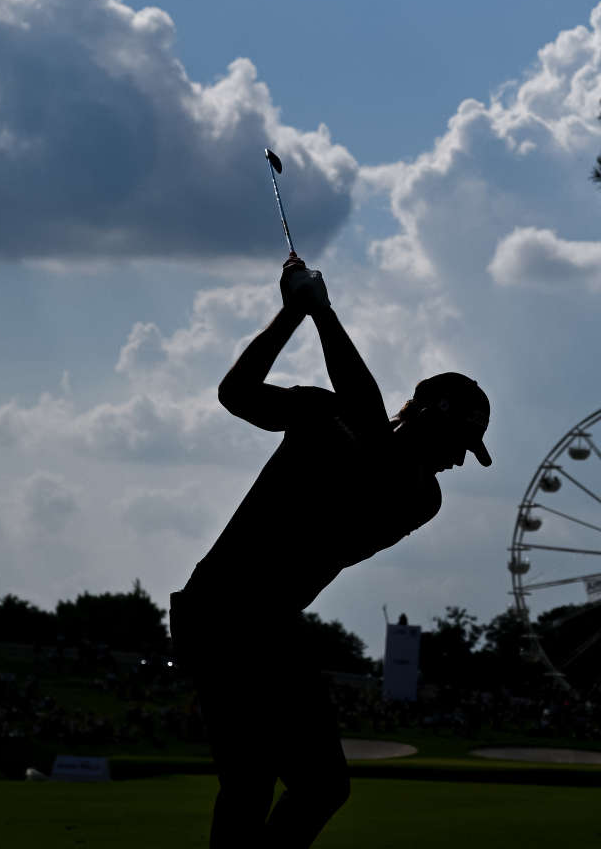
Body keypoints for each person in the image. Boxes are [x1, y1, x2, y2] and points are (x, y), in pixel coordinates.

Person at [170, 254, 491, 848]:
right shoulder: (328, 411)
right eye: (457, 441)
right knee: (254, 783)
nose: (457, 458)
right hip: (219, 610)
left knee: (315, 785)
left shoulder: (420, 495)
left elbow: (372, 431)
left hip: (265, 622)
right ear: (423, 416)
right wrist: (293, 314)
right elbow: (236, 393)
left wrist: (320, 311)